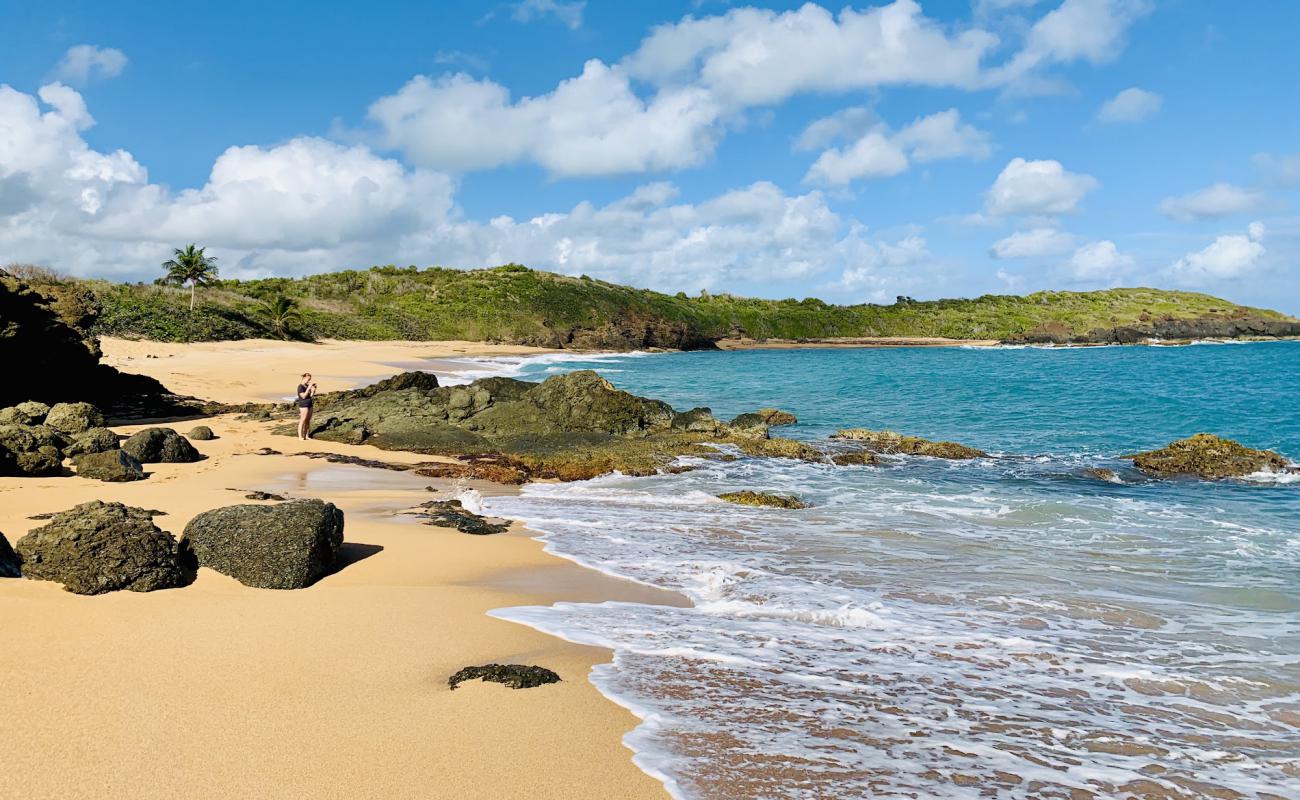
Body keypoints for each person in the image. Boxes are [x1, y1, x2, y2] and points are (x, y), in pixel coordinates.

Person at [296, 373, 317, 440]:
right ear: (304, 378)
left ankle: (306, 435)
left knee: (308, 421)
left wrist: (314, 390)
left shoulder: (306, 386)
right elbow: (303, 396)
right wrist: (309, 387)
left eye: (310, 379)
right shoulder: (300, 387)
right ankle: (300, 436)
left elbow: (310, 396)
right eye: (308, 379)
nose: (309, 381)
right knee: (303, 420)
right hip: (303, 405)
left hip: (309, 404)